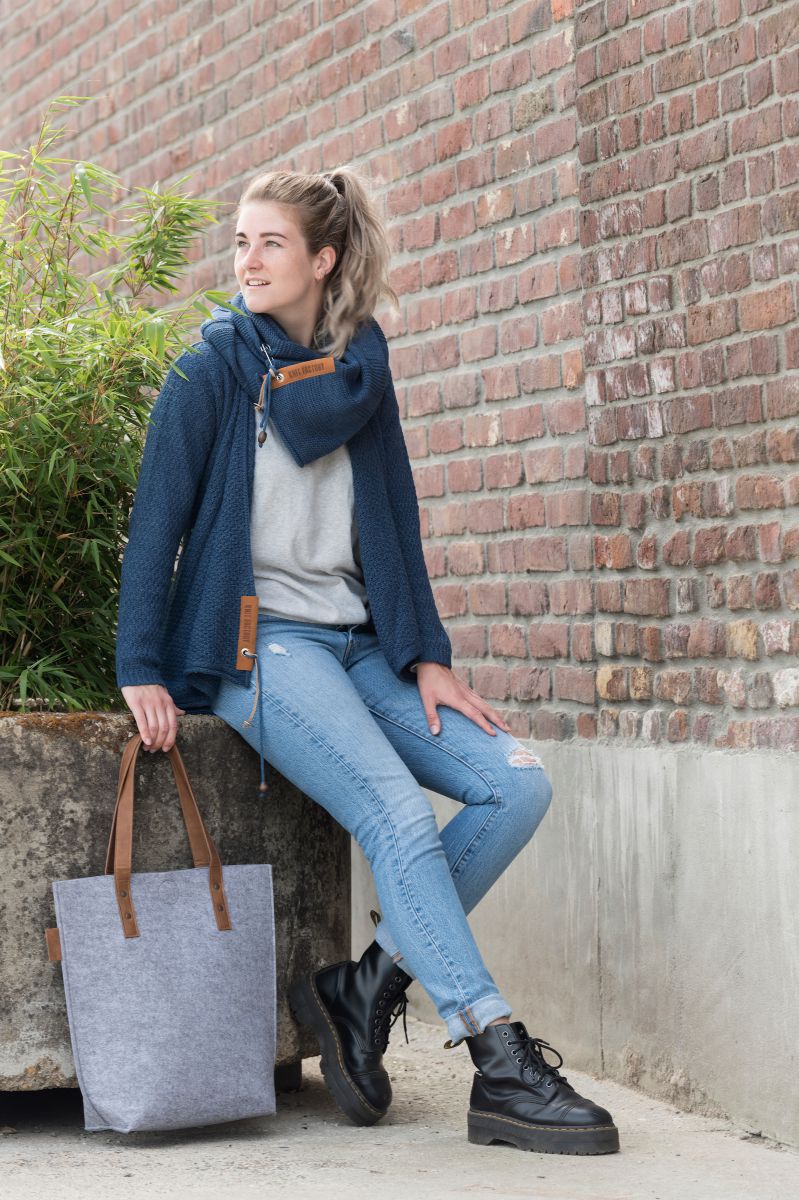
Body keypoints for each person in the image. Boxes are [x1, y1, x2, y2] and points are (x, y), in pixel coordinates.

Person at [116, 167, 620, 1156]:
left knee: (515, 784)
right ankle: (497, 1055)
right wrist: (141, 663)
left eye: (270, 243)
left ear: (323, 259)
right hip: (261, 646)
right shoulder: (210, 368)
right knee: (396, 812)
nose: (247, 260)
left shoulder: (361, 368)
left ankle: (364, 985)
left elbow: (395, 520)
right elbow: (155, 524)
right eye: (240, 242)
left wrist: (427, 655)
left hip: (361, 643)